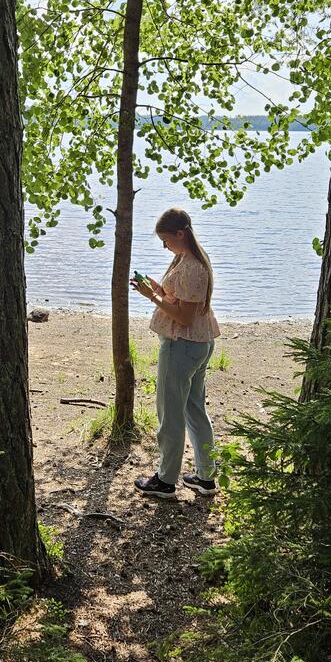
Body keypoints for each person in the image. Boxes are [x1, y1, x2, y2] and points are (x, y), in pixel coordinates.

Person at [130, 207, 222, 499]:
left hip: (182, 344)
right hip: (199, 343)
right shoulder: (185, 258)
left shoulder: (193, 266)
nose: (164, 245)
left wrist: (152, 297)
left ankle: (166, 480)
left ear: (181, 234)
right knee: (195, 409)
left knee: (170, 414)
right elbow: (180, 297)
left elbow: (184, 317)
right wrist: (157, 288)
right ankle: (205, 478)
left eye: (166, 240)